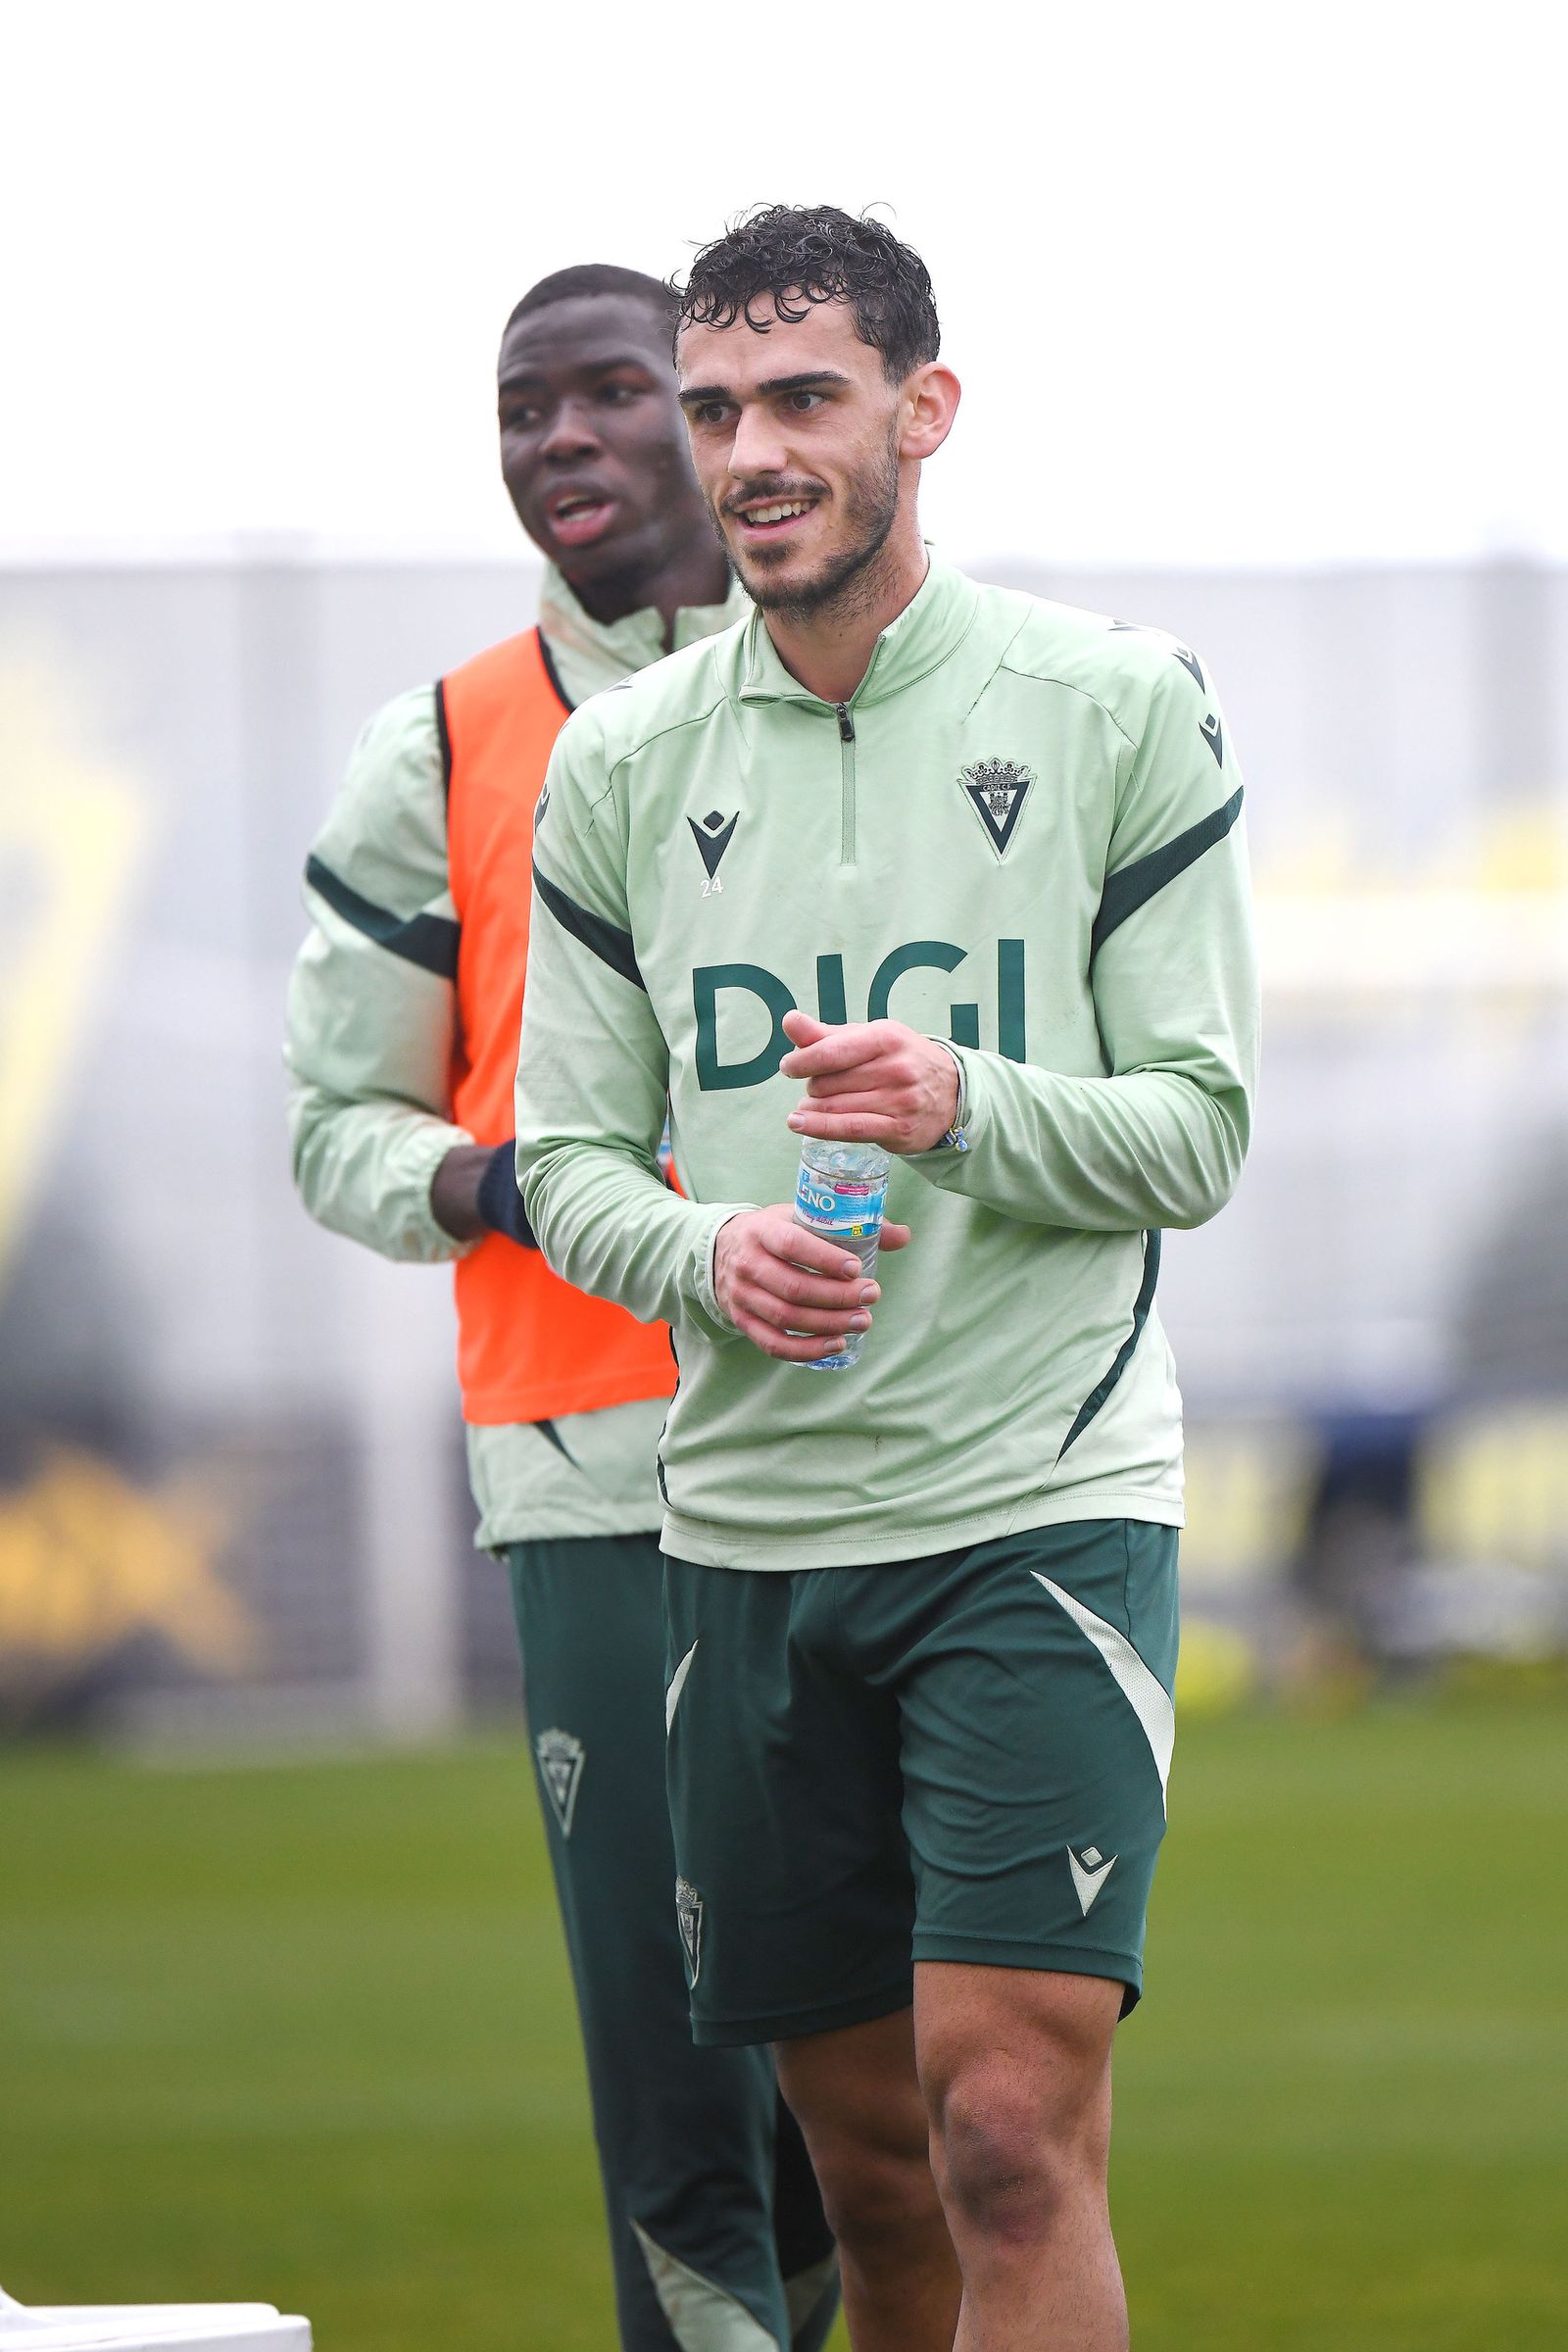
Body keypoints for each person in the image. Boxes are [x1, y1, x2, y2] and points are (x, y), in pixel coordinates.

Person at [514, 208, 1260, 2351]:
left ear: (918, 415)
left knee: (1006, 2131)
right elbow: (560, 1151)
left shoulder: (1110, 705)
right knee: (862, 2180)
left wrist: (958, 1102)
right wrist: (697, 1246)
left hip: (1031, 1511)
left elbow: (1195, 1132)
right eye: (718, 407)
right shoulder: (623, 767)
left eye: (802, 401)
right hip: (744, 1539)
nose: (750, 451)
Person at [283, 262, 839, 2352]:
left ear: (715, 426)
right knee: (679, 2095)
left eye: (617, 394)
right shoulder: (439, 744)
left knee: (871, 2109)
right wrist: (490, 1176)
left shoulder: (889, 700)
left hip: (881, 1451)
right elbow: (335, 1124)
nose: (564, 441)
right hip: (592, 1467)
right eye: (526, 409)